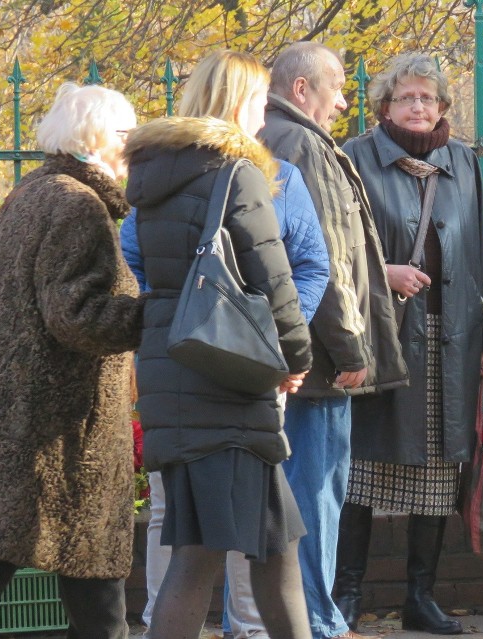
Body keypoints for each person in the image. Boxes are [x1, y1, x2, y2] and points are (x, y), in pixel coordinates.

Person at [124, 49, 313, 639]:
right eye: (259, 102)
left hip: (179, 374)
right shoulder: (238, 171)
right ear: (238, 103)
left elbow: (147, 271)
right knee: (204, 554)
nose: (263, 117)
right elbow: (273, 276)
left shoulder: (155, 176)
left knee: (272, 543)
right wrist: (296, 358)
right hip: (229, 386)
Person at [333, 52, 483, 636]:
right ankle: (346, 593)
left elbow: (479, 255)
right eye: (407, 97)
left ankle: (419, 599)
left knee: (438, 467)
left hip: (450, 337)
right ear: (385, 106)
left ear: (442, 106)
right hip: (382, 335)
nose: (419, 107)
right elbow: (338, 249)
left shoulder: (463, 161)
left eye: (428, 98)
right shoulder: (353, 157)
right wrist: (387, 271)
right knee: (362, 466)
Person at [259, 41, 408, 639]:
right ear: (302, 90)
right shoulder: (300, 145)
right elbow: (321, 261)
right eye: (337, 87)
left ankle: (305, 620)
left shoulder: (279, 139)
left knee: (301, 494)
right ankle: (318, 623)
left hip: (300, 354)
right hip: (318, 364)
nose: (344, 102)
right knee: (315, 497)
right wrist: (351, 351)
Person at [0, 83, 144, 638]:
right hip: (65, 431)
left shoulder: (30, 194)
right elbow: (76, 316)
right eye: (127, 134)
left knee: (14, 548)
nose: (133, 147)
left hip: (18, 415)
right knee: (92, 570)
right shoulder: (79, 205)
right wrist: (151, 313)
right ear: (98, 137)